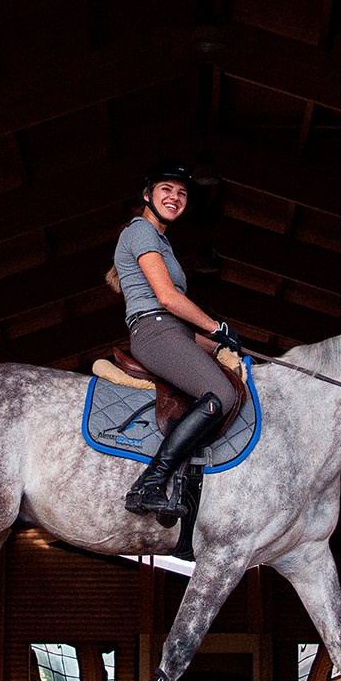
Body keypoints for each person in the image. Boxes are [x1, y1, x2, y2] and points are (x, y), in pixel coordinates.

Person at [111, 159, 245, 516]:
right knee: (222, 394)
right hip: (154, 330)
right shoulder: (140, 231)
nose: (175, 197)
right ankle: (149, 483)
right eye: (166, 190)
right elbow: (168, 299)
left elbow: (179, 322)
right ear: (147, 195)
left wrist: (221, 342)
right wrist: (216, 327)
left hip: (172, 331)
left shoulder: (161, 241)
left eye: (182, 193)